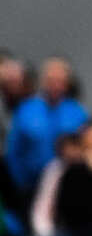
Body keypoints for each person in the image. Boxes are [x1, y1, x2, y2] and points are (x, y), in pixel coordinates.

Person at [5, 58, 86, 199]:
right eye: (51, 80)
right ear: (43, 82)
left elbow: (84, 149)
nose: (55, 85)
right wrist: (20, 183)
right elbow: (14, 151)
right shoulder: (26, 110)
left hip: (68, 188)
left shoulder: (77, 112)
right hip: (31, 187)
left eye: (60, 81)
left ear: (67, 84)